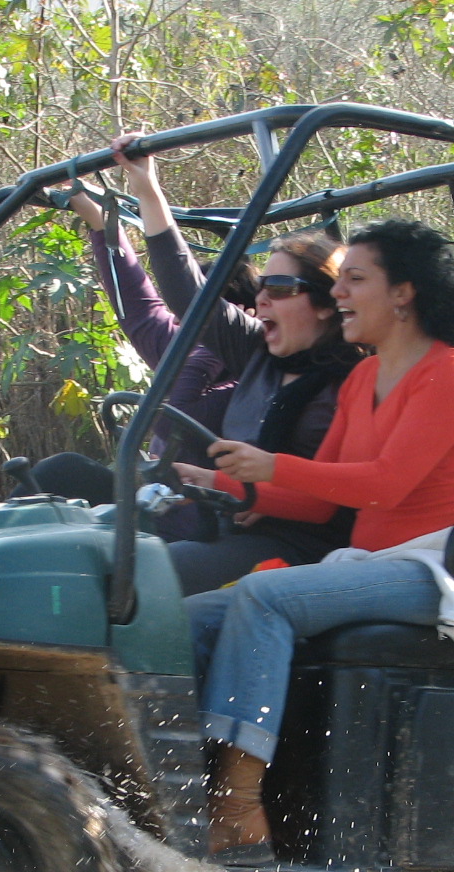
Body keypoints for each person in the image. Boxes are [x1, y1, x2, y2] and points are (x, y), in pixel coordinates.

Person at [175, 218, 454, 865]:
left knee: (264, 597)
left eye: (355, 279)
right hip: (373, 561)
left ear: (403, 294)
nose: (339, 292)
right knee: (190, 616)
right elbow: (324, 498)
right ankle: (165, 786)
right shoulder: (363, 379)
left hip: (442, 567)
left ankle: (238, 814)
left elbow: (388, 485)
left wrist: (272, 465)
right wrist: (232, 486)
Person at [110, 133, 363, 594]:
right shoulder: (260, 353)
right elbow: (189, 295)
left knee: (148, 579)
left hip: (303, 546)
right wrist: (147, 188)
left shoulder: (355, 378)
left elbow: (335, 496)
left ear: (326, 304)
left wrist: (230, 485)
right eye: (262, 285)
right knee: (94, 546)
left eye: (281, 288)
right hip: (229, 523)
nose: (262, 298)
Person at [18, 185, 256, 543]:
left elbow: (170, 412)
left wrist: (212, 348)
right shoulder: (180, 346)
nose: (180, 329)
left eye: (196, 322)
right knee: (62, 471)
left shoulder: (250, 379)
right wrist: (96, 217)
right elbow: (138, 302)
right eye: (182, 319)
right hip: (154, 504)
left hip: (199, 520)